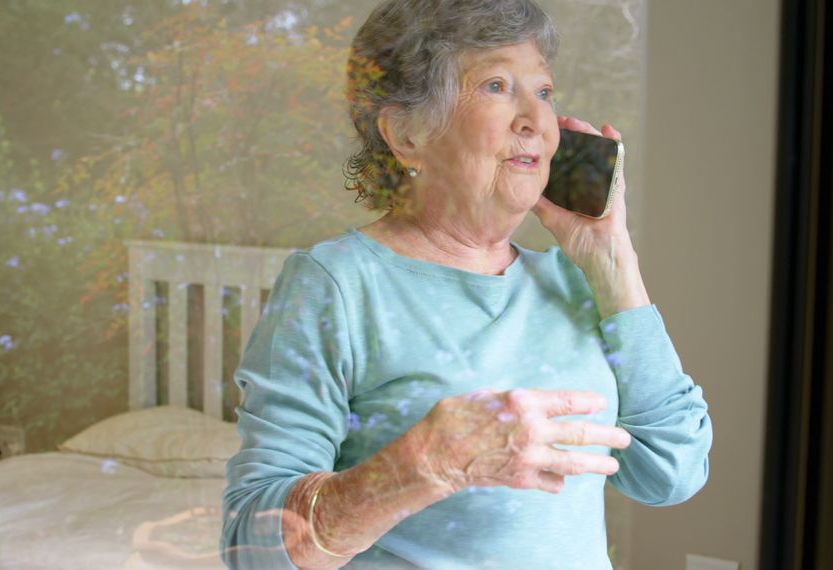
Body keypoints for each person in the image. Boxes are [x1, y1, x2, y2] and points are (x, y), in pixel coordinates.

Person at [220, 0, 713, 568]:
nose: (535, 119)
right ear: (407, 133)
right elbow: (251, 547)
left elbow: (672, 474)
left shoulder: (579, 283)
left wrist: (612, 262)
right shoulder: (337, 285)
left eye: (545, 93)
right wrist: (421, 466)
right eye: (498, 86)